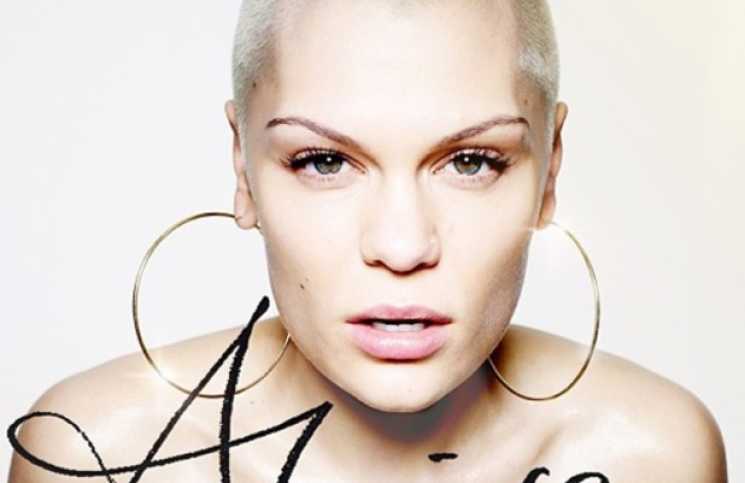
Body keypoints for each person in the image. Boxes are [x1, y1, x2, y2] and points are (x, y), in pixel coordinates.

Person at [9, 0, 728, 481]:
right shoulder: (92, 454)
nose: (402, 246)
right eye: (324, 162)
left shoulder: (651, 456)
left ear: (550, 168)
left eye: (470, 162)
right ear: (242, 166)